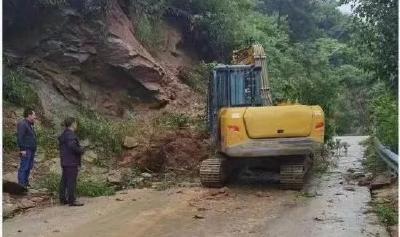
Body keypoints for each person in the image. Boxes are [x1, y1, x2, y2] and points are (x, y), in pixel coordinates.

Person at [58, 117, 85, 206]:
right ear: (73, 124)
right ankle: (72, 200)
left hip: (65, 161)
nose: (77, 125)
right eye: (76, 123)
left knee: (64, 180)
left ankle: (62, 199)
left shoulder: (64, 134)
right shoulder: (70, 135)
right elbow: (72, 147)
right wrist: (81, 150)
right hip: (71, 161)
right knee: (71, 181)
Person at [17, 108, 37, 188]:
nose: (35, 117)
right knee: (24, 166)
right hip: (26, 149)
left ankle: (25, 182)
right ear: (29, 115)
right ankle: (21, 184)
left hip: (31, 149)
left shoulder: (29, 124)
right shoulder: (22, 124)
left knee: (29, 166)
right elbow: (20, 137)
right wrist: (22, 149)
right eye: (34, 115)